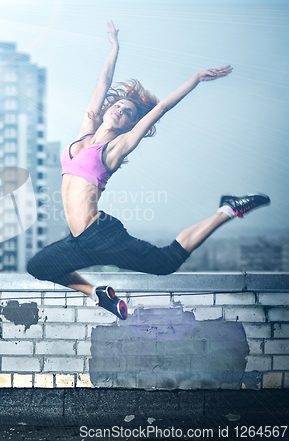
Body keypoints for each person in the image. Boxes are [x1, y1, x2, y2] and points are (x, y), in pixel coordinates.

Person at [27, 21, 270, 320]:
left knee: (165, 262)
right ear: (106, 109)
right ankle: (98, 295)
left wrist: (194, 78)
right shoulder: (85, 132)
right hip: (80, 241)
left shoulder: (115, 148)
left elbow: (160, 109)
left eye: (128, 112)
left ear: (130, 124)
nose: (121, 110)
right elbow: (102, 84)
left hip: (100, 235)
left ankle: (228, 210)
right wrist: (114, 47)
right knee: (39, 266)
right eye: (118, 106)